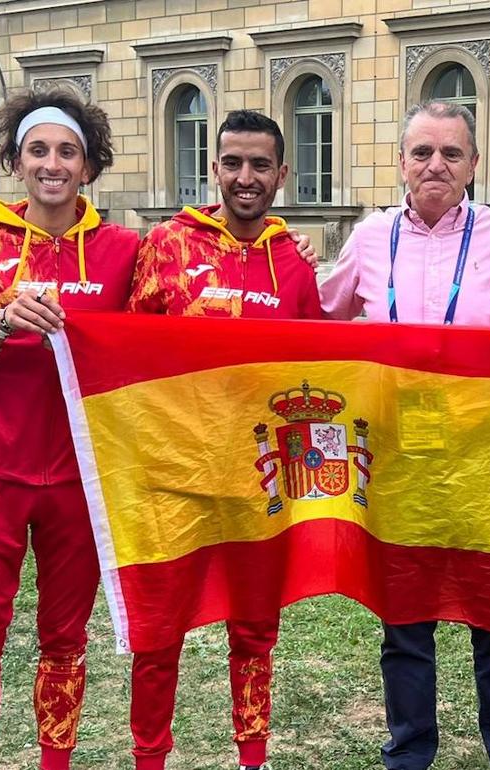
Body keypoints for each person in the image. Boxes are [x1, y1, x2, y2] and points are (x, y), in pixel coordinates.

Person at [320, 100, 490, 770]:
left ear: (474, 163)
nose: (435, 165)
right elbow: (315, 316)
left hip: (486, 460)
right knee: (405, 623)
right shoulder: (369, 236)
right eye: (422, 152)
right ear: (401, 164)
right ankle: (409, 755)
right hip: (397, 456)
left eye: (450, 153)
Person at [0, 88, 140, 770]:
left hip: (78, 482)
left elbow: (166, 332)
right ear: (17, 162)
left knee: (65, 642)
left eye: (67, 152)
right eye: (38, 150)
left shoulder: (120, 251)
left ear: (89, 167)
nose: (53, 164)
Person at [126, 109, 321, 770]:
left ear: (281, 175)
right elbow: (126, 358)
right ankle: (150, 757)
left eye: (260, 165)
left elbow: (314, 366)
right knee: (160, 630)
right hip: (175, 474)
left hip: (258, 477)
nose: (246, 177)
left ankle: (253, 758)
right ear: (214, 169)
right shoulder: (169, 247)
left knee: (256, 627)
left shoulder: (293, 261)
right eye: (233, 163)